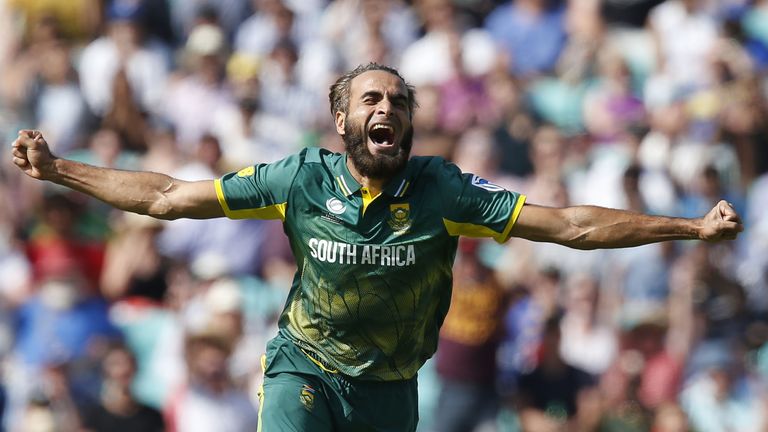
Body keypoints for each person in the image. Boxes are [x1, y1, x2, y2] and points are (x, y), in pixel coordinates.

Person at [10, 62, 743, 431]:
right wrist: (60, 170)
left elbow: (571, 226)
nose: (386, 107)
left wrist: (688, 228)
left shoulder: (444, 191)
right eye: (371, 98)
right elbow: (170, 197)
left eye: (398, 101)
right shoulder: (298, 177)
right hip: (306, 368)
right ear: (341, 119)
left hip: (390, 392)